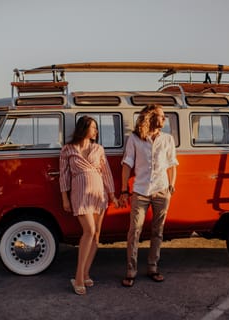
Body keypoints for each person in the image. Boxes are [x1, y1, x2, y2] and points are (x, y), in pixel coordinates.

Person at [119, 104, 178, 287]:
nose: (164, 119)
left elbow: (172, 164)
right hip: (140, 191)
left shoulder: (167, 139)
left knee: (157, 231)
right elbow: (127, 164)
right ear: (151, 117)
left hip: (161, 190)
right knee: (134, 231)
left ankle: (153, 267)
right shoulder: (134, 139)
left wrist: (171, 186)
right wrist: (124, 190)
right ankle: (131, 270)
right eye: (161, 115)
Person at [59, 115, 118, 295]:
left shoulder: (98, 148)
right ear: (84, 129)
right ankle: (77, 277)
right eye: (93, 128)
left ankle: (85, 273)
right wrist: (65, 198)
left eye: (96, 128)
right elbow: (63, 176)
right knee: (89, 231)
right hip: (80, 195)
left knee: (96, 235)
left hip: (99, 195)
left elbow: (106, 172)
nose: (96, 131)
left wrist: (112, 195)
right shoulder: (67, 150)